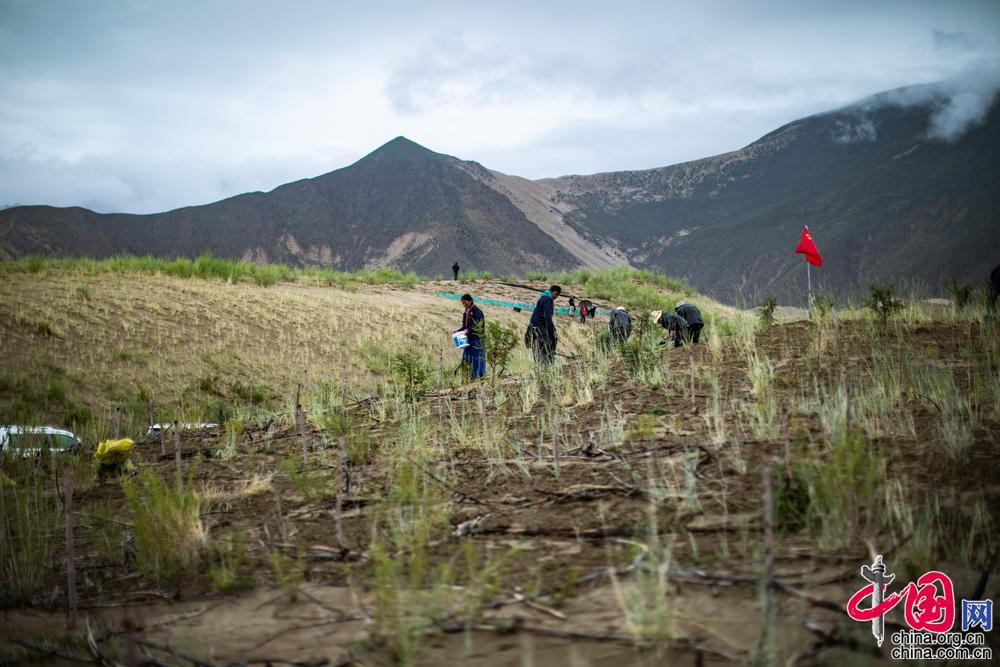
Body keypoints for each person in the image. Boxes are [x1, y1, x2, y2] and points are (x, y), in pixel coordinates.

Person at [526, 285, 561, 364]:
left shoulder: (544, 297)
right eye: (556, 295)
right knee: (548, 341)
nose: (556, 297)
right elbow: (547, 317)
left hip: (535, 322)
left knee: (540, 342)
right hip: (539, 323)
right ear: (555, 292)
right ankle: (545, 361)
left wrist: (552, 329)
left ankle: (541, 361)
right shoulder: (547, 300)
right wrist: (553, 330)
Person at [456, 294, 486, 379]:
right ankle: (469, 378)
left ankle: (480, 377)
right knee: (466, 358)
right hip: (468, 339)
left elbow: (479, 324)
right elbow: (465, 326)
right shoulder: (466, 312)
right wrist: (459, 331)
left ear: (470, 301)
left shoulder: (476, 311)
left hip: (477, 339)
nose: (464, 304)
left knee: (478, 359)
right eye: (462, 303)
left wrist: (468, 330)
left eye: (465, 302)